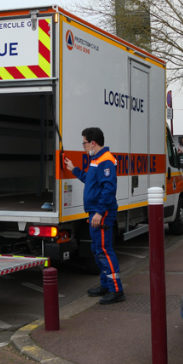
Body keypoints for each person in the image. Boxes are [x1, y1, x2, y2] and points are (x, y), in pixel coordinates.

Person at [63, 127, 125, 305]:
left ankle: (116, 290)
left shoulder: (105, 160)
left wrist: (99, 212)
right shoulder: (96, 160)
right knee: (98, 250)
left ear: (92, 143)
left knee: (104, 250)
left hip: (102, 212)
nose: (83, 146)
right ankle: (106, 285)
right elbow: (91, 182)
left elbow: (109, 189)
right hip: (97, 211)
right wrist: (73, 169)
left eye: (83, 143)